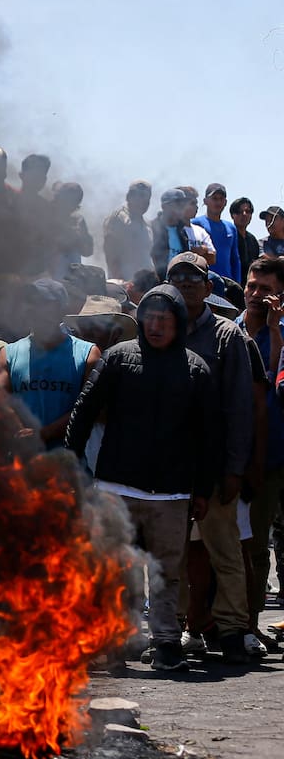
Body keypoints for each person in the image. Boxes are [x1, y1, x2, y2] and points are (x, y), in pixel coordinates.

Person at [65, 284, 217, 672]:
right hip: (116, 486)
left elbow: (208, 435)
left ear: (178, 323)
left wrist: (203, 489)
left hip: (171, 493)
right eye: (149, 317)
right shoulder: (117, 358)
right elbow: (84, 411)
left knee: (166, 572)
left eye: (164, 319)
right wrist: (70, 464)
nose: (155, 325)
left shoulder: (196, 369)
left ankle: (165, 643)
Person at [166, 251, 255, 664]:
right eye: (177, 277)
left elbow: (241, 407)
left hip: (216, 465)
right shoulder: (159, 329)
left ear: (208, 287)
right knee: (173, 554)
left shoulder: (227, 335)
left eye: (193, 278)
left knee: (225, 551)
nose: (185, 283)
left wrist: (236, 468)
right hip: (171, 468)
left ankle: (233, 629)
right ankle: (174, 630)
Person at [0, 279, 100, 448]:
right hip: (24, 458)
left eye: (43, 303)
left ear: (61, 309)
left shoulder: (88, 354)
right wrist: (19, 428)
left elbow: (90, 408)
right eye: (31, 301)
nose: (34, 308)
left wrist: (44, 434)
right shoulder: (8, 354)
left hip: (68, 459)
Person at [239, 257, 284, 650]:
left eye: (265, 289)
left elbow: (272, 385)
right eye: (251, 286)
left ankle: (249, 625)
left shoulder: (281, 335)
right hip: (228, 455)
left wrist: (273, 331)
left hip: (269, 458)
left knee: (255, 546)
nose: (255, 295)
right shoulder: (228, 330)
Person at [151, 188, 216, 277]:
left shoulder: (182, 232)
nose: (180, 209)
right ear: (164, 206)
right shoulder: (153, 228)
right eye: (176, 205)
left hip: (178, 281)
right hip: (159, 282)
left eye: (182, 205)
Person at [102, 180, 155, 280]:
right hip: (125, 282)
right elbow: (111, 252)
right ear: (128, 197)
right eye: (137, 196)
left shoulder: (147, 224)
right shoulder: (119, 218)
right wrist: (119, 281)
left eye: (146, 197)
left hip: (145, 283)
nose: (142, 201)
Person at [192, 183, 242, 283]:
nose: (218, 202)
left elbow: (235, 260)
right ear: (205, 201)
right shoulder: (195, 224)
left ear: (225, 202)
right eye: (214, 198)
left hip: (226, 282)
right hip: (204, 281)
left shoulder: (231, 228)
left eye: (221, 199)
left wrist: (237, 283)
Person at [49, 182, 93, 278]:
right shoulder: (47, 215)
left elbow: (88, 251)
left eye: (74, 204)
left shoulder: (78, 220)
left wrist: (80, 238)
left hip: (72, 275)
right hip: (49, 274)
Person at [230, 198, 260, 285]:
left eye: (248, 211)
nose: (244, 214)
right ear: (232, 215)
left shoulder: (252, 240)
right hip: (231, 285)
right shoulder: (228, 237)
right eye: (239, 212)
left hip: (248, 286)